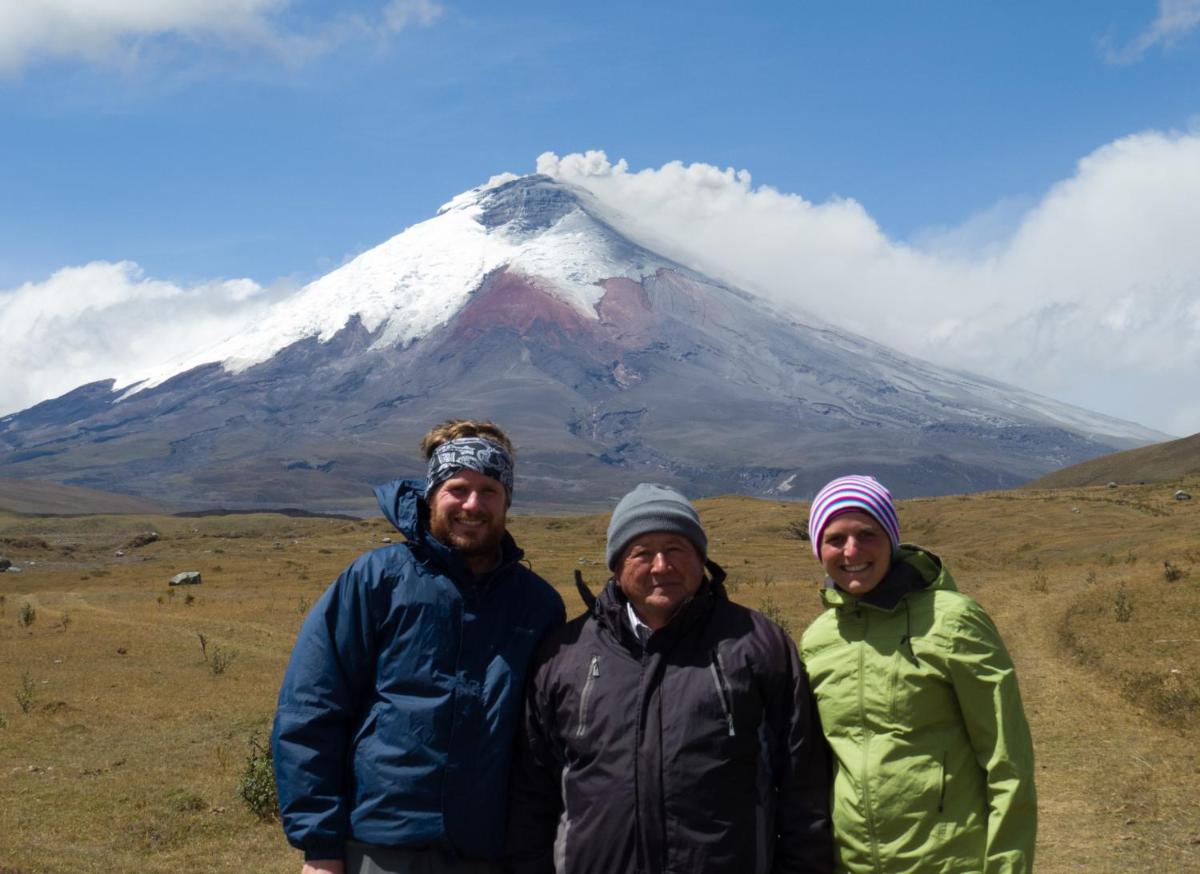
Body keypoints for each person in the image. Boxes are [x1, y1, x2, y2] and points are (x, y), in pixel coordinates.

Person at [272, 420, 565, 874]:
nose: (472, 504)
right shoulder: (376, 580)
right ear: (432, 494)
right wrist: (320, 845)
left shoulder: (538, 605)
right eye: (457, 489)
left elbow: (545, 742)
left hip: (489, 851)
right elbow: (311, 709)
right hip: (380, 845)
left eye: (489, 490)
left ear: (507, 500)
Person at [507, 483, 834, 874]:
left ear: (700, 557)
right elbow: (532, 795)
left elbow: (803, 788)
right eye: (642, 553)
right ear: (616, 566)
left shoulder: (756, 645)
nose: (661, 566)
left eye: (676, 549)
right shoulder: (566, 654)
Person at [798, 475, 1037, 874]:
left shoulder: (953, 619)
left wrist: (1006, 866)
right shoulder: (817, 639)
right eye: (835, 539)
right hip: (851, 863)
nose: (852, 550)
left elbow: (1007, 760)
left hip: (949, 862)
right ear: (818, 550)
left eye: (867, 534)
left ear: (891, 539)